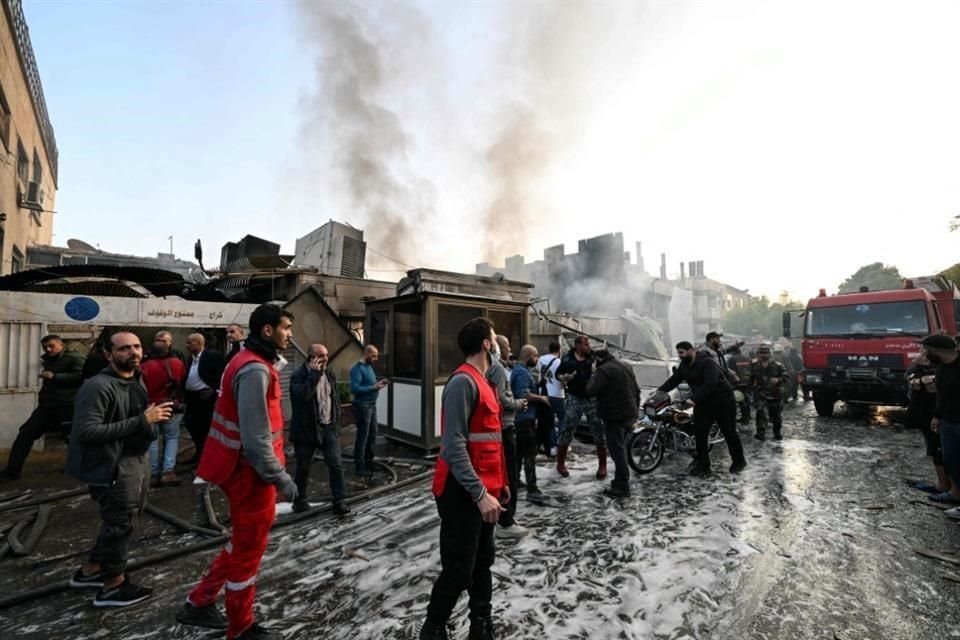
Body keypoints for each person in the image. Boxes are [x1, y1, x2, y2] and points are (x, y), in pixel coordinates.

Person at [178, 304, 298, 640]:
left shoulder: (246, 362)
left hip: (240, 470)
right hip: (250, 475)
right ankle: (241, 627)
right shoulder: (254, 370)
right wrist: (281, 478)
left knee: (240, 542)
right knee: (248, 554)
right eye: (286, 327)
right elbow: (257, 439)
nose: (290, 334)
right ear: (267, 331)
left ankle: (199, 602)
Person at [66, 332, 172, 607]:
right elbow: (87, 431)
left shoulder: (136, 379)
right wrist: (142, 419)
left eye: (136, 347)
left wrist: (150, 415)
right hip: (113, 466)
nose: (133, 352)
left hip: (135, 460)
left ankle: (92, 570)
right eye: (124, 349)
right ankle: (113, 586)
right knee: (121, 523)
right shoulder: (97, 386)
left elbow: (131, 417)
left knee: (123, 519)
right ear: (108, 354)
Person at [419, 317, 508, 640]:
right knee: (459, 569)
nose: (497, 343)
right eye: (495, 338)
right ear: (486, 343)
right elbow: (453, 445)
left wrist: (502, 486)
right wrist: (480, 492)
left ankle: (480, 624)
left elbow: (491, 441)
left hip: (485, 489)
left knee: (483, 561)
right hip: (461, 492)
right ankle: (433, 628)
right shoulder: (463, 382)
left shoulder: (485, 382)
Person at [0, 335, 84, 481]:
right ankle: (12, 471)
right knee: (25, 434)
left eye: (51, 345)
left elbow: (81, 377)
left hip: (66, 406)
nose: (48, 349)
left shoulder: (74, 358)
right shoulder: (48, 358)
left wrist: (55, 376)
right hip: (47, 406)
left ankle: (78, 468)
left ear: (61, 344)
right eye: (45, 347)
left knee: (72, 439)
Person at [658, 341, 746, 476]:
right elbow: (674, 380)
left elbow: (710, 383)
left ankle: (739, 461)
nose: (680, 356)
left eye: (682, 352)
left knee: (729, 432)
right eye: (678, 353)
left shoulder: (707, 363)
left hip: (723, 402)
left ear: (691, 350)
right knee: (700, 433)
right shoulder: (684, 366)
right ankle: (704, 465)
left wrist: (693, 399)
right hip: (703, 403)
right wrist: (659, 392)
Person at [289, 343, 350, 516]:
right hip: (306, 431)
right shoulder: (298, 375)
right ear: (311, 358)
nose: (326, 358)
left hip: (328, 427)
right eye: (322, 356)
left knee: (336, 465)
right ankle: (299, 500)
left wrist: (337, 421)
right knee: (303, 468)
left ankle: (340, 501)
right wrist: (314, 375)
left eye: (326, 355)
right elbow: (303, 396)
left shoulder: (329, 373)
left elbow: (334, 397)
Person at [486, 336, 528, 538]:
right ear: (498, 347)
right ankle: (506, 521)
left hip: (500, 428)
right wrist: (519, 403)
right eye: (507, 346)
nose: (509, 350)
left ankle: (505, 516)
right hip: (504, 427)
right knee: (509, 476)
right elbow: (501, 399)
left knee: (506, 475)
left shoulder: (494, 367)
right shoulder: (498, 370)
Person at [585, 349, 640, 498]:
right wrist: (635, 411)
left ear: (598, 359)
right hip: (630, 413)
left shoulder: (603, 371)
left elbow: (590, 391)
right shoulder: (625, 365)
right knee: (621, 447)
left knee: (617, 451)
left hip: (614, 416)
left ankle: (622, 486)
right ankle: (619, 481)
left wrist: (593, 374)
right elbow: (637, 390)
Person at [556, 336, 606, 480]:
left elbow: (605, 370)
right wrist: (564, 377)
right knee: (567, 428)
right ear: (577, 345)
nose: (588, 346)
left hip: (592, 398)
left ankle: (602, 465)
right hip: (574, 398)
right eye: (585, 344)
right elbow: (557, 374)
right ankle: (560, 464)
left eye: (588, 344)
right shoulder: (567, 359)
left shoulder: (594, 357)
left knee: (598, 429)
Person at [141, 334, 187, 486]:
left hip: (151, 408)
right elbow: (183, 382)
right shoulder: (177, 363)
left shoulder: (144, 367)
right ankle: (168, 472)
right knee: (172, 437)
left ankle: (153, 473)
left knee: (152, 440)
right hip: (172, 407)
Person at [922, 334, 960, 507]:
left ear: (936, 349)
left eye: (926, 349)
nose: (924, 352)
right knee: (950, 459)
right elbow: (941, 396)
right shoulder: (941, 368)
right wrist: (937, 415)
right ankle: (955, 493)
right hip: (947, 420)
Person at [512, 345, 549, 505]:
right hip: (525, 419)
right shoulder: (520, 373)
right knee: (529, 454)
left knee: (519, 453)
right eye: (535, 356)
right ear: (528, 356)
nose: (537, 358)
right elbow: (523, 394)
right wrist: (542, 399)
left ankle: (516, 480)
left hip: (522, 419)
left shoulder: (522, 371)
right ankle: (532, 490)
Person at [905, 353, 947, 494]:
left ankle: (947, 486)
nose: (922, 356)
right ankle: (943, 485)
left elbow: (932, 386)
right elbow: (912, 382)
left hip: (941, 413)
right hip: (924, 414)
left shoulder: (946, 368)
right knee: (935, 448)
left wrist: (924, 380)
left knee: (943, 450)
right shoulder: (916, 368)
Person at [183, 333, 225, 462]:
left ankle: (207, 457)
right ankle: (199, 452)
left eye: (189, 343)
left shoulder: (212, 356)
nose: (186, 345)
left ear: (198, 343)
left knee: (204, 427)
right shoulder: (191, 359)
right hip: (192, 398)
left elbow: (223, 374)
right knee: (191, 424)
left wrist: (214, 390)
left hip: (205, 398)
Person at [349, 345, 388, 478]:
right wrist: (373, 387)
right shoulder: (357, 369)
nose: (376, 359)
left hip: (372, 405)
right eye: (374, 355)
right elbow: (355, 389)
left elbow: (369, 384)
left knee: (373, 434)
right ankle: (359, 466)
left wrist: (378, 384)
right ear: (366, 354)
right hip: (362, 406)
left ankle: (369, 461)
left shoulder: (369, 367)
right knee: (363, 436)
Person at [749, 345, 788, 441]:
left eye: (765, 353)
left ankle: (777, 433)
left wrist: (778, 380)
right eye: (761, 353)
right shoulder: (754, 365)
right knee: (760, 414)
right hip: (760, 394)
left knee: (776, 416)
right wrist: (749, 390)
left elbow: (786, 377)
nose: (763, 355)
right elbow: (749, 378)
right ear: (758, 354)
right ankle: (760, 433)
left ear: (769, 354)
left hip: (775, 394)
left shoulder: (778, 365)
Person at [537, 341, 565, 456]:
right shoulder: (559, 362)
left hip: (544, 394)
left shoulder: (541, 359)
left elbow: (538, 373)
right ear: (559, 350)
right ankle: (561, 444)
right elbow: (562, 379)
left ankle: (552, 446)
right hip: (558, 394)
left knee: (549, 421)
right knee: (563, 419)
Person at [726, 346, 753, 424]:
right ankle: (748, 416)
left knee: (741, 400)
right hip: (747, 382)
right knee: (747, 399)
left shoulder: (732, 359)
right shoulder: (748, 359)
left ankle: (745, 419)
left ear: (733, 352)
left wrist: (731, 384)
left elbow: (731, 373)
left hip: (738, 383)